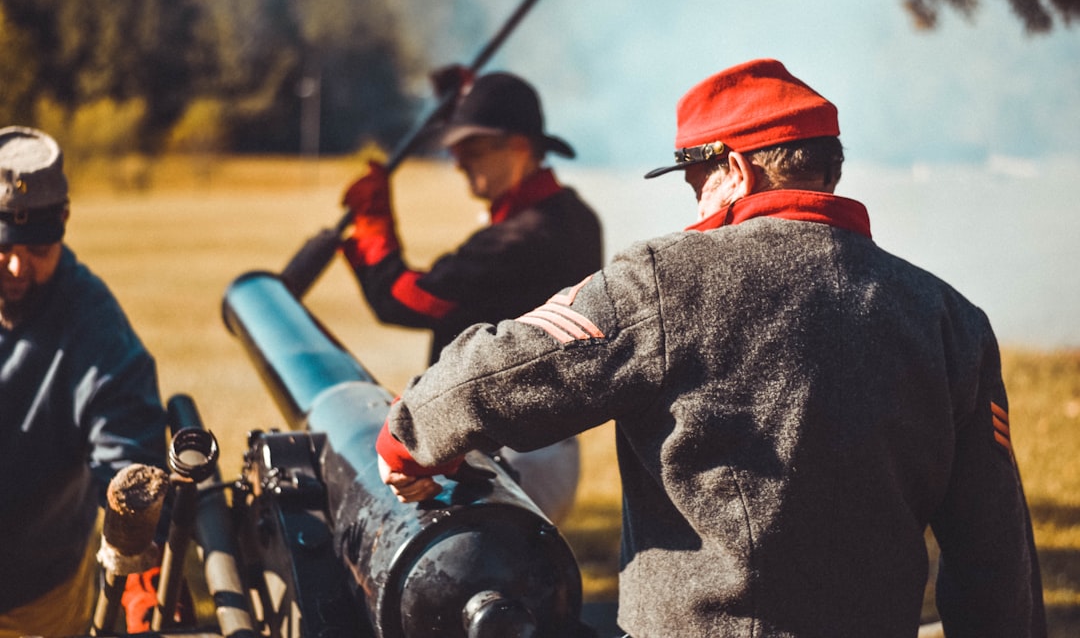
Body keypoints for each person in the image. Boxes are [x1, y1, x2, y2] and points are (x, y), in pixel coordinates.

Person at [375, 59, 1047, 637]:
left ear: (732, 169)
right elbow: (995, 555)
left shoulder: (668, 279)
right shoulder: (951, 321)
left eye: (693, 178)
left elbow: (507, 364)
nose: (694, 202)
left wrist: (407, 436)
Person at [341, 70, 603, 523]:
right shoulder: (570, 215)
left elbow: (406, 298)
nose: (459, 163)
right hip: (537, 444)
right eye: (456, 150)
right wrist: (469, 99)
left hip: (510, 452)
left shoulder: (524, 237)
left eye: (474, 150)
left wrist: (374, 230)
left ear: (519, 147)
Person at [0, 126, 168, 636]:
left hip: (33, 596)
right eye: (3, 246)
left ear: (64, 227)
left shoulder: (92, 323)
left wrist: (138, 550)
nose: (15, 265)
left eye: (38, 249)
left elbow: (127, 445)